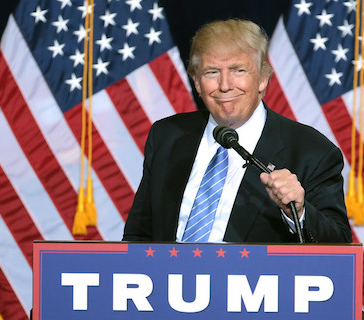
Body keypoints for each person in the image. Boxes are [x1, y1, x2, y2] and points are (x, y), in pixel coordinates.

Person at [123, 19, 352, 243]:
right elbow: (139, 235)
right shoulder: (167, 135)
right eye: (211, 72)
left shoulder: (311, 151)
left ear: (263, 79)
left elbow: (338, 246)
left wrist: (298, 213)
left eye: (238, 70)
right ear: (196, 82)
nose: (225, 85)